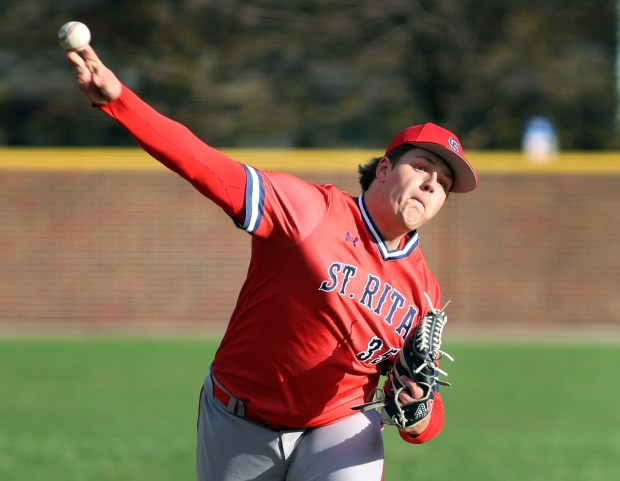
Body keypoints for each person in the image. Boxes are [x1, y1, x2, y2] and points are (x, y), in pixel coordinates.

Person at [64, 45, 478, 481]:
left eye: (445, 183)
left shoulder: (423, 290)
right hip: (240, 419)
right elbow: (206, 166)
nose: (433, 184)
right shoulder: (309, 211)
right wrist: (118, 101)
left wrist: (418, 414)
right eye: (423, 167)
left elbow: (425, 411)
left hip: (338, 428)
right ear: (384, 169)